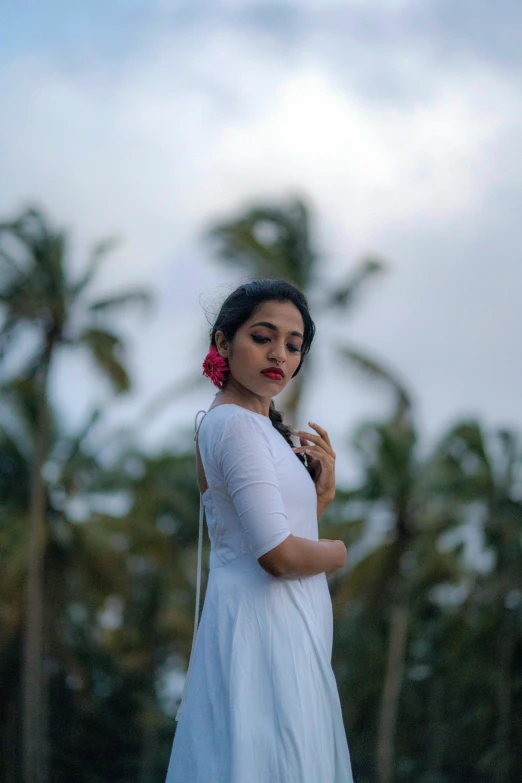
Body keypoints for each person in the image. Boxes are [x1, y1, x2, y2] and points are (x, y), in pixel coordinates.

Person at [165, 279, 354, 782]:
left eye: (294, 346)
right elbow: (278, 556)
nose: (280, 355)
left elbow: (264, 528)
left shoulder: (247, 427)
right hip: (262, 628)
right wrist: (339, 551)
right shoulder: (237, 425)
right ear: (224, 343)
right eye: (263, 337)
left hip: (278, 622)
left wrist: (319, 500)